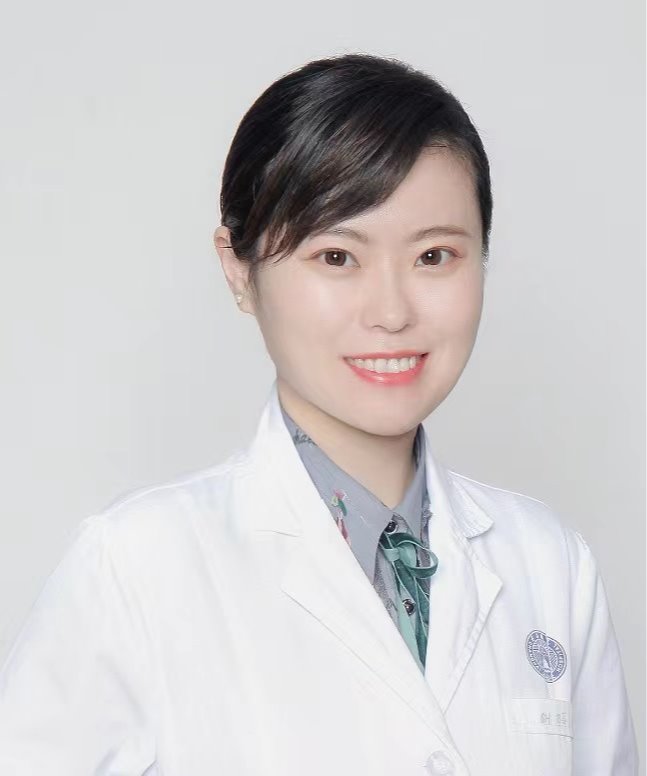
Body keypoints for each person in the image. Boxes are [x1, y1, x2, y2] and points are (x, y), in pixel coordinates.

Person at [0, 53, 638, 776]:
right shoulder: (135, 569)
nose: (391, 312)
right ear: (239, 270)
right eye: (337, 257)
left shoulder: (549, 565)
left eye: (434, 256)